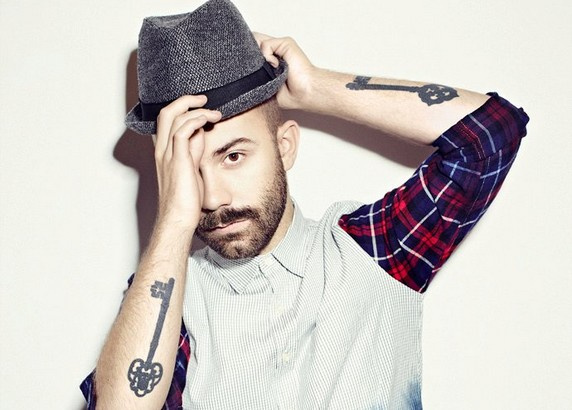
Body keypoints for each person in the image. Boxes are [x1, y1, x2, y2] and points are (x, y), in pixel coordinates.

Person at [81, 0, 529, 408]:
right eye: (189, 171)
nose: (213, 198)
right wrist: (173, 221)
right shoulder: (170, 297)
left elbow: (492, 134)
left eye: (233, 156)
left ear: (285, 146)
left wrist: (316, 87)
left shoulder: (372, 251)